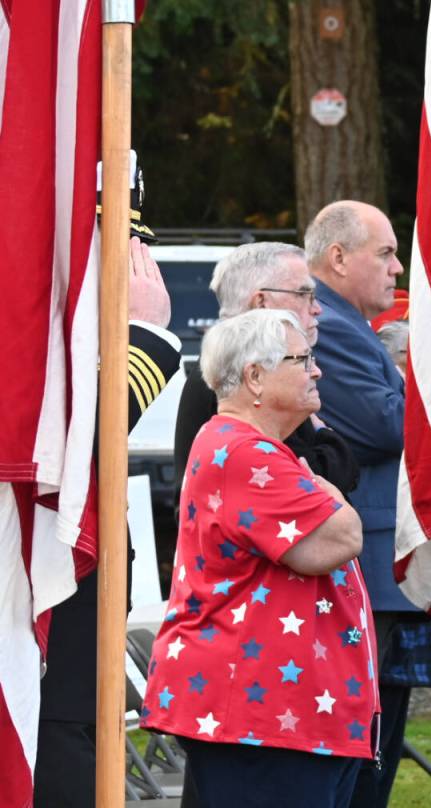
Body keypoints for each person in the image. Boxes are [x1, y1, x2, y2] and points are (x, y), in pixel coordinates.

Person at [140, 309, 377, 808]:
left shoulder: (246, 446)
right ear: (254, 377)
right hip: (262, 717)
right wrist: (333, 500)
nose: (317, 370)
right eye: (302, 359)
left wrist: (325, 495)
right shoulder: (246, 453)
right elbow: (339, 540)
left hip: (271, 715)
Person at [35, 236, 182, 807]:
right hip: (49, 592)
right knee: (59, 744)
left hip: (70, 594)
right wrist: (143, 340)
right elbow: (65, 447)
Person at [305, 201, 431, 806]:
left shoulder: (349, 326)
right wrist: (418, 381)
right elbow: (389, 427)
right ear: (337, 257)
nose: (398, 267)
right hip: (368, 564)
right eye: (384, 253)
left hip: (383, 563)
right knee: (364, 752)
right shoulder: (328, 326)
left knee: (378, 744)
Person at [173, 242, 360, 501]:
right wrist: (324, 433)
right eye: (304, 293)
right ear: (262, 302)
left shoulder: (256, 365)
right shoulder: (239, 373)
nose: (317, 308)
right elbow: (319, 480)